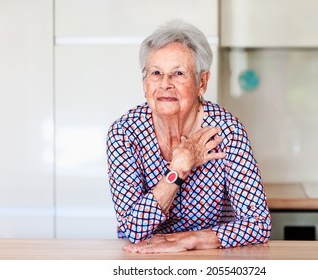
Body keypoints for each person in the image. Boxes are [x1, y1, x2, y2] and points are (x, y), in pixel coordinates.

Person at [106, 19, 271, 253]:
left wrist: (194, 240)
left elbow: (258, 224)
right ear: (145, 83)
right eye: (156, 73)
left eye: (178, 73)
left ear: (201, 82)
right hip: (144, 260)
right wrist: (179, 169)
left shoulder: (227, 131)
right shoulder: (124, 133)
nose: (165, 84)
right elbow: (133, 229)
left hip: (211, 260)